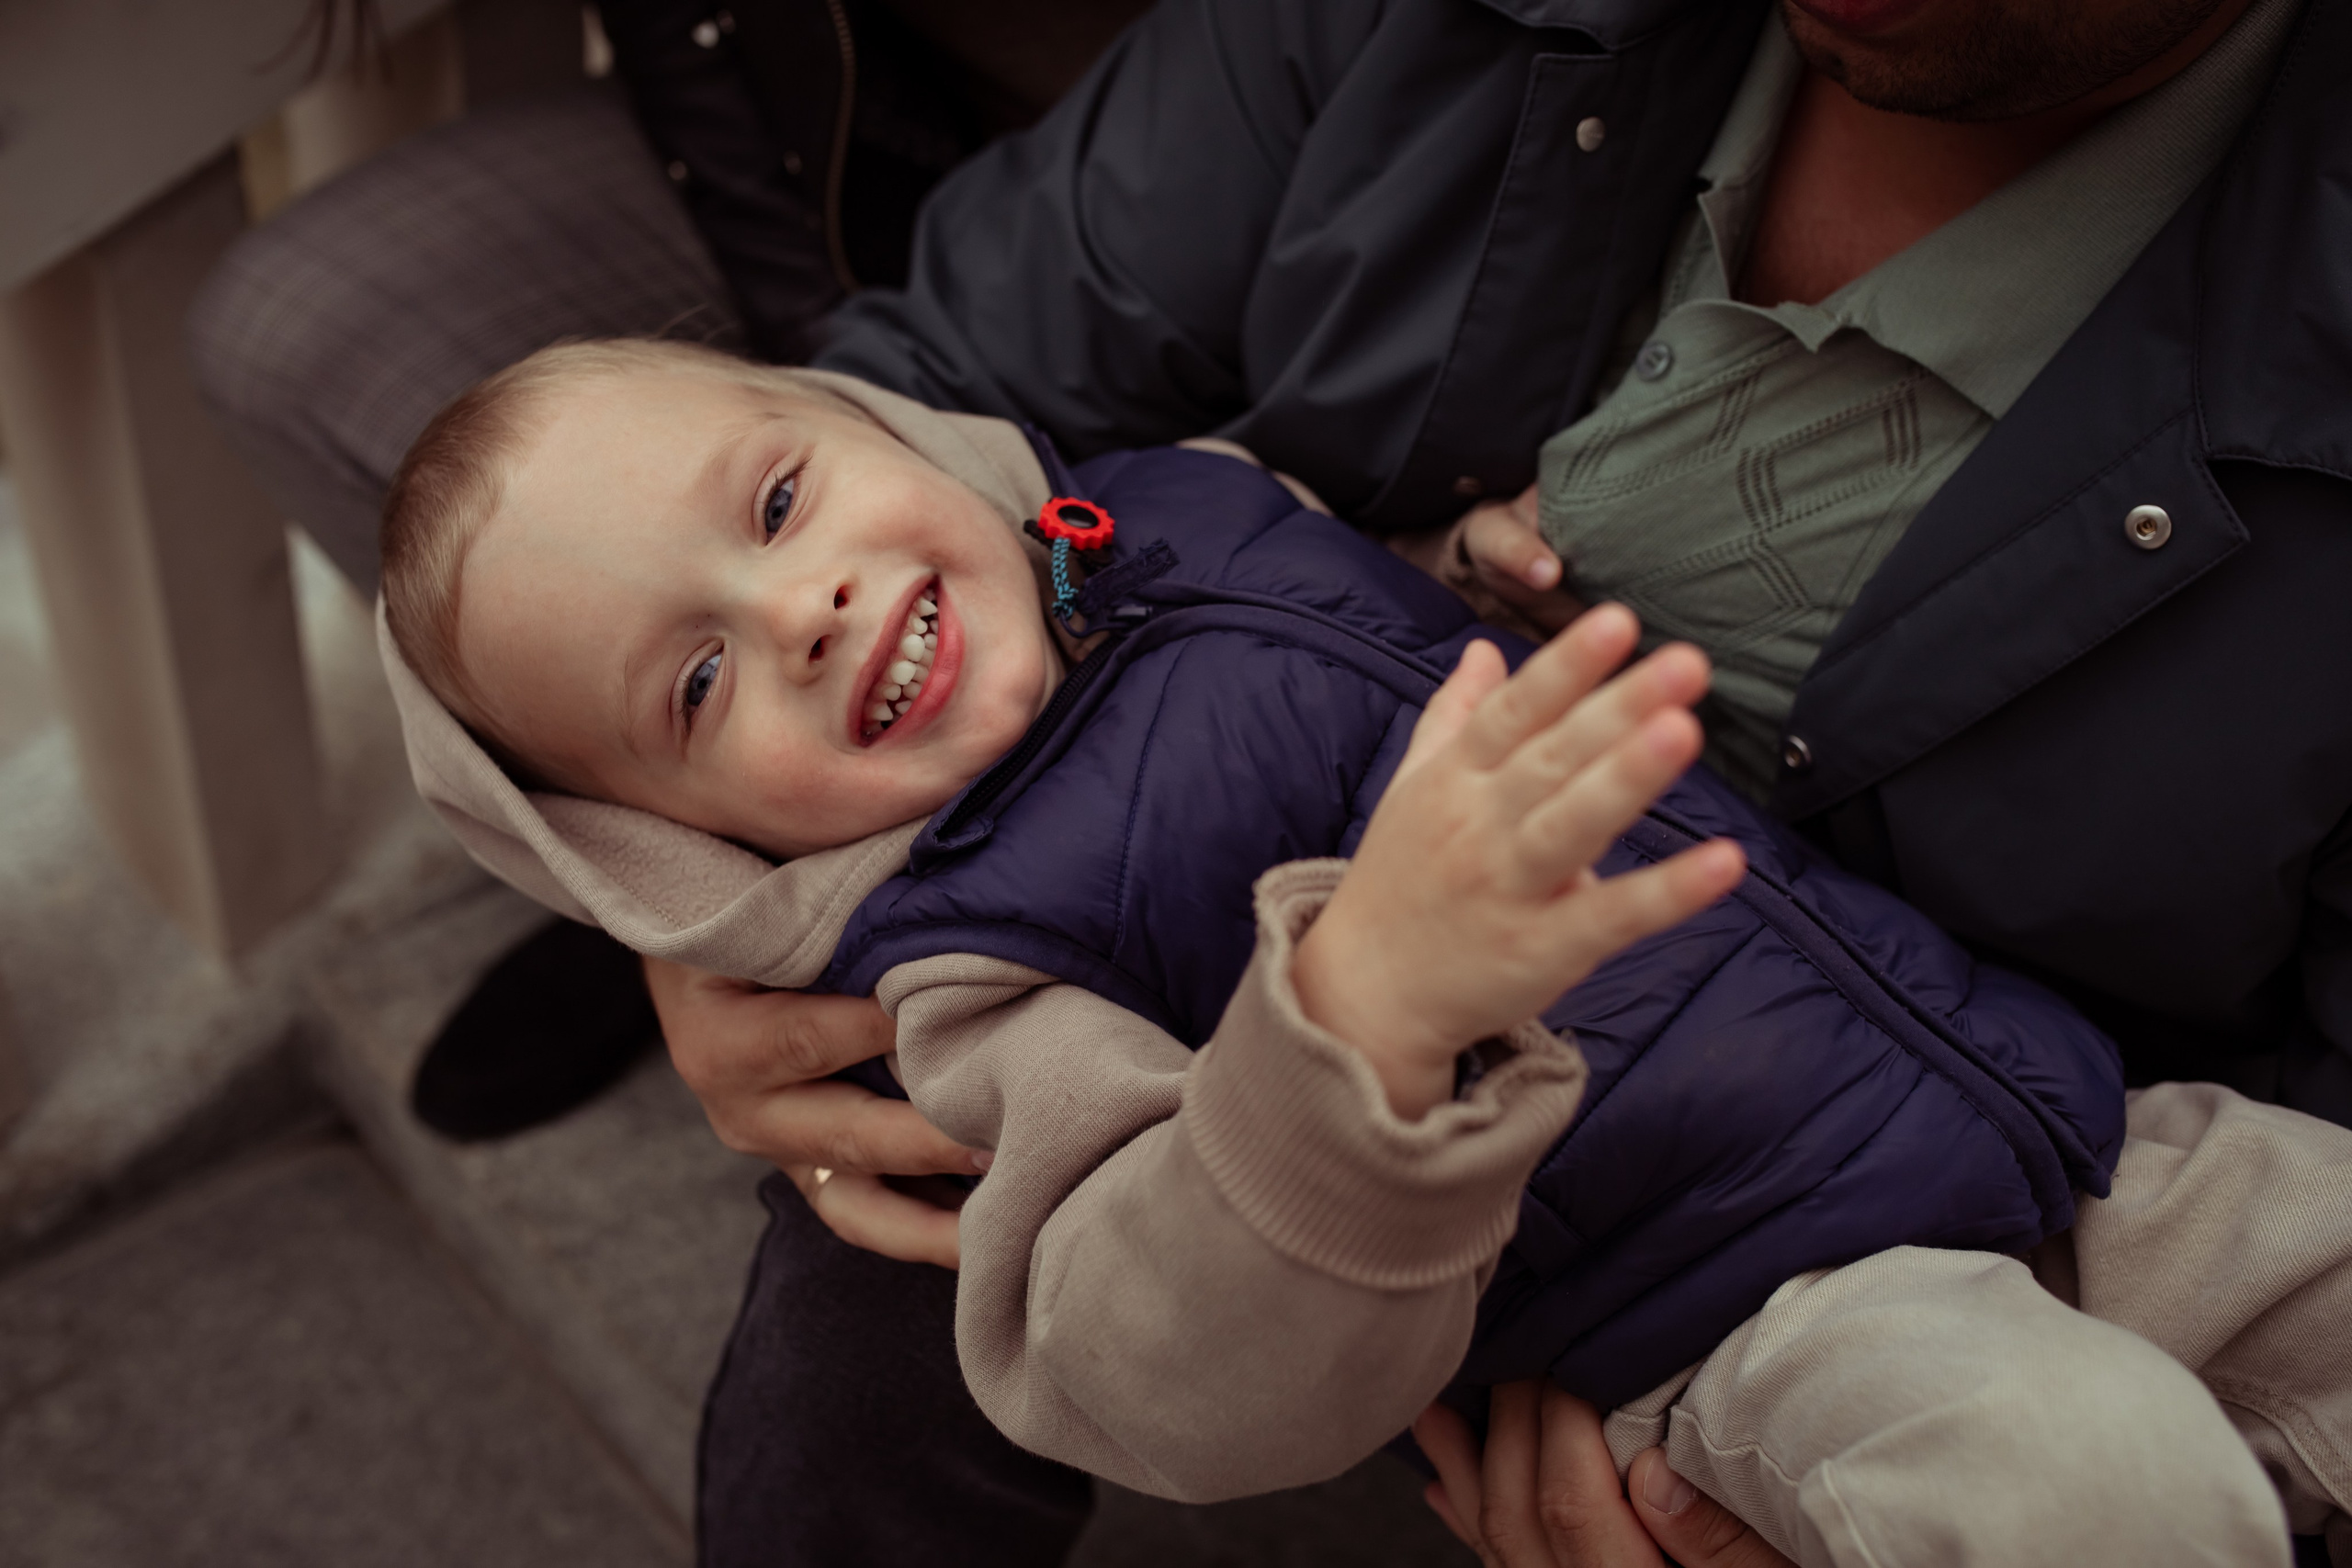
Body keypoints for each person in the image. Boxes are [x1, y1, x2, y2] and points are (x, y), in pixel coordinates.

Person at [186, 0, 2352, 1558]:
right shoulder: (975, 974)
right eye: (690, 695)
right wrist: (1338, 1030)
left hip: (2066, 1105)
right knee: (2090, 1491)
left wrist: (1438, 577)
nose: (814, 609)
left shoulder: (1154, 510)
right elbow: (1117, 1359)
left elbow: (1238, 576)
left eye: (783, 514)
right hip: (1751, 1292)